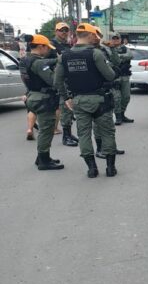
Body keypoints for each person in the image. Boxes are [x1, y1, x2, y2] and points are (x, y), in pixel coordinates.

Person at [54, 23, 118, 178]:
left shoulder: (64, 56)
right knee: (107, 133)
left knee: (83, 134)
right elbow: (110, 76)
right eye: (94, 35)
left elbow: (57, 81)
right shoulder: (95, 54)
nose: (96, 38)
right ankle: (110, 168)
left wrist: (67, 98)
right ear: (89, 35)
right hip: (100, 99)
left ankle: (91, 169)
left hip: (79, 100)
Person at [19, 35, 65, 170]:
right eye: (47, 47)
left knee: (45, 129)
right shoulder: (39, 63)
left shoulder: (25, 60)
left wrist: (54, 61)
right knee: (46, 130)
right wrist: (57, 68)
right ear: (40, 46)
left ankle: (41, 158)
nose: (48, 50)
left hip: (32, 96)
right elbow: (53, 81)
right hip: (43, 98)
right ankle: (44, 161)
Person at [51, 22, 78, 147]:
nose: (64, 32)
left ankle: (69, 133)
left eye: (66, 30)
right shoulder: (52, 46)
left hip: (69, 79)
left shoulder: (68, 45)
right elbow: (44, 60)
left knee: (69, 108)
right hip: (59, 80)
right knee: (65, 107)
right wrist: (58, 59)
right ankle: (65, 136)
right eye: (61, 30)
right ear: (56, 31)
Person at [109, 32, 134, 124]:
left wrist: (118, 56)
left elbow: (130, 55)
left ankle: (122, 114)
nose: (115, 40)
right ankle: (118, 117)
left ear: (120, 39)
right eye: (114, 38)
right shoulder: (108, 49)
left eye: (117, 38)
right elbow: (108, 60)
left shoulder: (125, 48)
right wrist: (120, 58)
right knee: (117, 98)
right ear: (111, 39)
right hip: (114, 77)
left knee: (126, 97)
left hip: (124, 76)